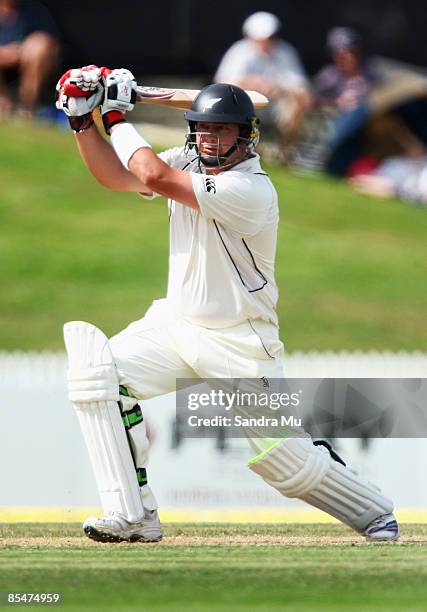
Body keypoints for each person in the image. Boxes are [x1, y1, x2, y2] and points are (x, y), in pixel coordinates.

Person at [56, 65, 399, 544]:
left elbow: (150, 170)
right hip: (175, 326)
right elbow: (118, 177)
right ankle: (132, 515)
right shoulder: (190, 161)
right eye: (203, 129)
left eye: (223, 130)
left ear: (248, 137)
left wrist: (114, 114)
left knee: (284, 463)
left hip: (239, 340)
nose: (211, 140)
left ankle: (374, 511)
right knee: (96, 376)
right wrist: (80, 121)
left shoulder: (250, 189)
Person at [215, 11, 310, 156]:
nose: (266, 41)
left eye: (270, 37)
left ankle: (285, 154)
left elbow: (301, 88)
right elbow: (223, 83)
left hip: (276, 107)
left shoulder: (286, 53)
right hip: (248, 105)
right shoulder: (239, 52)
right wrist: (252, 83)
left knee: (296, 105)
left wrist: (279, 88)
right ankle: (248, 150)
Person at [0, 0, 59, 118]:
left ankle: (27, 108)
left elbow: (49, 42)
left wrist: (23, 50)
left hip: (25, 62)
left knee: (38, 46)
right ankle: (2, 105)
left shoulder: (34, 10)